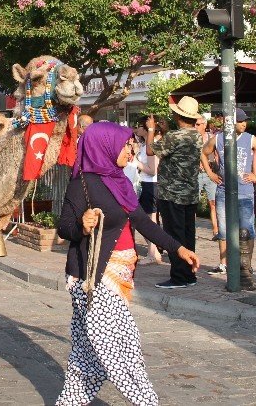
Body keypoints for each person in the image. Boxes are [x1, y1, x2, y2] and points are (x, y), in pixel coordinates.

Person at [56, 122, 199, 406]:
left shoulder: (120, 181)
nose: (130, 150)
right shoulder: (81, 184)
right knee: (121, 346)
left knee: (86, 355)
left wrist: (178, 248)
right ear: (105, 146)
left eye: (131, 144)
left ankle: (70, 402)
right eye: (125, 144)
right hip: (93, 277)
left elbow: (144, 223)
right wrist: (82, 227)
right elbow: (65, 227)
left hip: (120, 274)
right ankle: (146, 401)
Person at [201, 109, 256, 290]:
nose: (244, 124)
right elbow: (203, 153)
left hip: (244, 191)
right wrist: (210, 173)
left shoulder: (249, 138)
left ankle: (245, 266)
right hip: (223, 190)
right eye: (241, 121)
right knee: (224, 230)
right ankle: (224, 263)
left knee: (246, 230)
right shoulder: (218, 139)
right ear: (230, 122)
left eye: (245, 121)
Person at [154, 97, 206, 289]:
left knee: (174, 236)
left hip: (172, 194)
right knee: (187, 235)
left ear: (178, 115)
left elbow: (153, 151)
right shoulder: (197, 136)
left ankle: (179, 276)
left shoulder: (173, 137)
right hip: (190, 193)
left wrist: (152, 130)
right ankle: (190, 274)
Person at [131, 116, 163, 265]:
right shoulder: (144, 145)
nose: (136, 129)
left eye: (139, 126)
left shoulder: (153, 145)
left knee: (148, 220)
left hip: (151, 184)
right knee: (143, 220)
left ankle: (153, 254)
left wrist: (136, 162)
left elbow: (152, 170)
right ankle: (154, 252)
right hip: (144, 183)